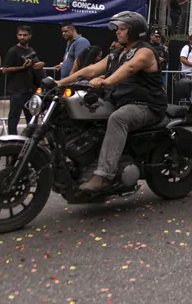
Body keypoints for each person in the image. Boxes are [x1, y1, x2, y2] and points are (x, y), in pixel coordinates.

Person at [56, 11, 166, 192]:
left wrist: (106, 81)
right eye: (118, 29)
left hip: (146, 105)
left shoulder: (144, 51)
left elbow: (130, 68)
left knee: (118, 118)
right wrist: (60, 83)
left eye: (123, 29)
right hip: (120, 102)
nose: (118, 32)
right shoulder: (117, 53)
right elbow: (91, 70)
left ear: (135, 31)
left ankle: (104, 176)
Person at [1, 26, 45, 135]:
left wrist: (40, 64)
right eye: (20, 35)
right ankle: (12, 138)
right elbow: (5, 70)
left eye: (25, 35)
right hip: (17, 90)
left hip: (30, 89)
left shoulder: (31, 50)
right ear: (16, 36)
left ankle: (31, 138)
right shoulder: (13, 51)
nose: (22, 37)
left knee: (32, 116)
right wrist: (22, 67)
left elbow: (36, 64)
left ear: (30, 36)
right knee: (14, 117)